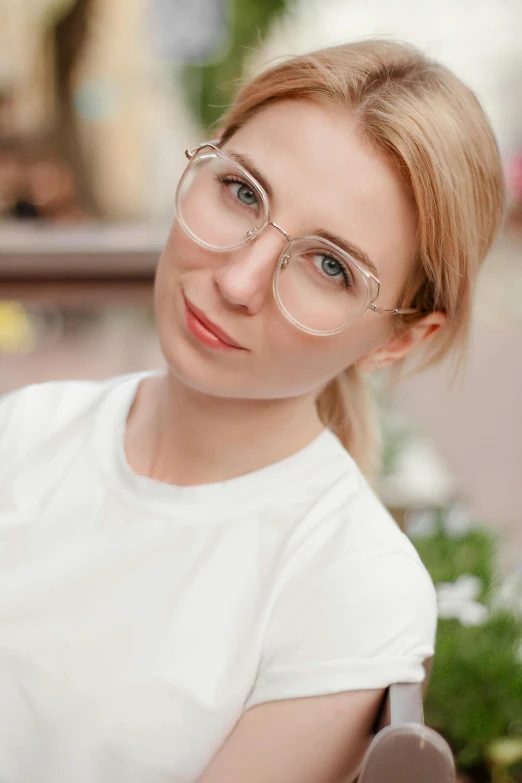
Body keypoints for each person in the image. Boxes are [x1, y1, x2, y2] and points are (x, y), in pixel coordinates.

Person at [0, 38, 504, 783]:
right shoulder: (31, 428)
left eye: (330, 266)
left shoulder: (350, 587)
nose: (238, 280)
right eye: (241, 191)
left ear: (400, 339)